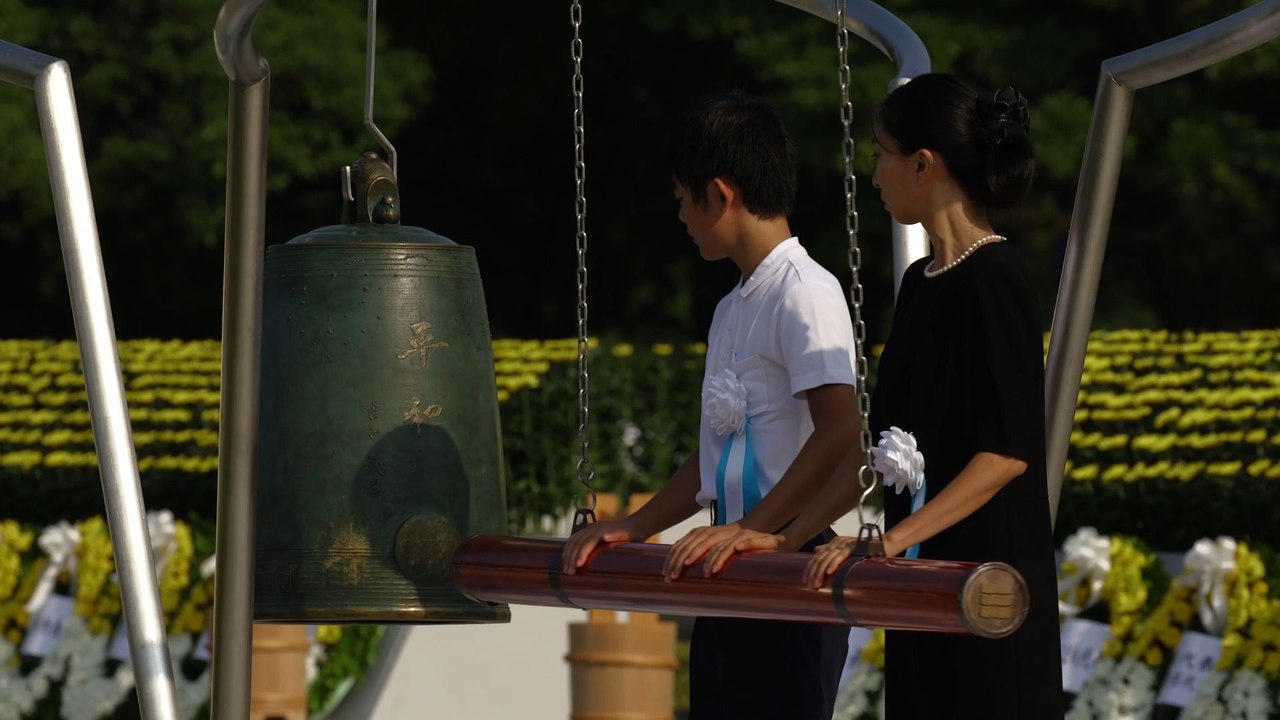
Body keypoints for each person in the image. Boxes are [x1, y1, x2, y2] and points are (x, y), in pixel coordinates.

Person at [705, 73, 1064, 719]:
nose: (873, 177)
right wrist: (787, 539)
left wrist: (893, 541)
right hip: (919, 587)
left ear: (923, 165)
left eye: (880, 155)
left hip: (985, 585)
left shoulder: (998, 276)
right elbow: (875, 450)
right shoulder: (922, 281)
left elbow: (1007, 452)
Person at [561, 91, 860, 720]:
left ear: (720, 194)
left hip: (790, 563)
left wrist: (760, 530)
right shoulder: (730, 308)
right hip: (728, 563)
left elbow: (843, 431)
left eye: (681, 198)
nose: (680, 215)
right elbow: (714, 456)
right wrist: (638, 524)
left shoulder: (807, 290)